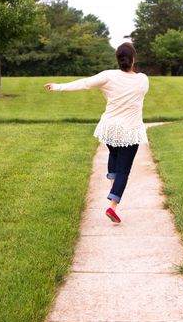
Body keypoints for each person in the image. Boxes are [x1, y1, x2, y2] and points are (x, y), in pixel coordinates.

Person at [44, 42, 149, 224]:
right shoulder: (142, 79)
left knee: (114, 156)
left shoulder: (108, 76)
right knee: (124, 170)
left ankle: (112, 189)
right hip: (130, 130)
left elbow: (84, 84)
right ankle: (112, 206)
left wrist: (58, 86)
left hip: (109, 128)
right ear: (134, 59)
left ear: (118, 59)